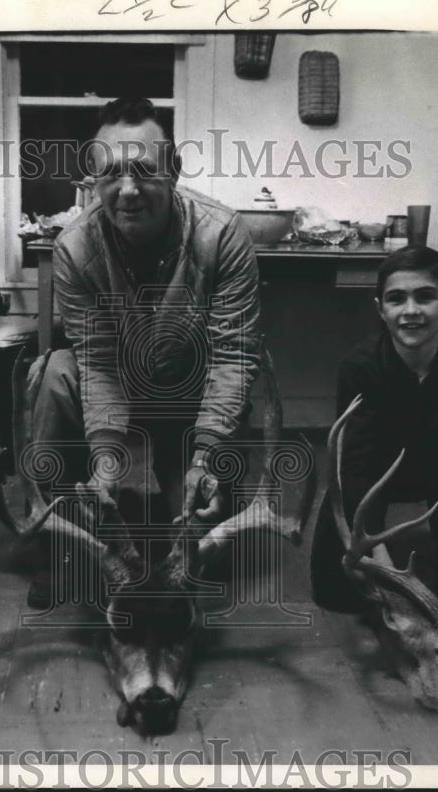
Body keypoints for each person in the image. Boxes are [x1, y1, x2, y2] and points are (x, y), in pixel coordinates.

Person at [28, 97, 262, 600]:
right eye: (110, 174)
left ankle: (188, 487)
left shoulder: (223, 234)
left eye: (144, 172)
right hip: (122, 386)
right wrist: (107, 460)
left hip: (191, 391)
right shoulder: (73, 247)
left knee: (205, 542)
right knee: (54, 372)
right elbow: (96, 362)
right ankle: (62, 538)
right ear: (93, 179)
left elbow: (233, 357)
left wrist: (205, 455)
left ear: (173, 173)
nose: (128, 190)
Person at [310, 246, 438, 610]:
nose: (411, 311)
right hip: (375, 472)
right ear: (380, 309)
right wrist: (374, 551)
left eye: (425, 297)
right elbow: (355, 467)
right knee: (337, 592)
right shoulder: (359, 367)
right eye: (397, 299)